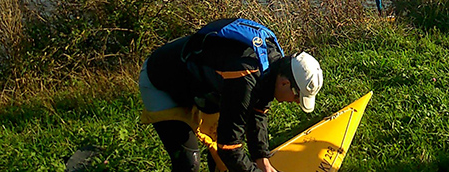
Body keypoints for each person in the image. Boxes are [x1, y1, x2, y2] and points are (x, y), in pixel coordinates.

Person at [139, 17, 324, 172]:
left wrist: (263, 161)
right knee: (188, 163)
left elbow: (258, 112)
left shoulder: (275, 65)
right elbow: (229, 147)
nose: (295, 102)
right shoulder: (244, 77)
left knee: (222, 161)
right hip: (162, 80)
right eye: (297, 97)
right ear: (285, 83)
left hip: (203, 87)